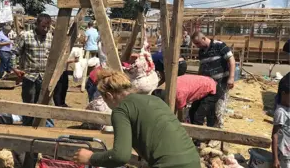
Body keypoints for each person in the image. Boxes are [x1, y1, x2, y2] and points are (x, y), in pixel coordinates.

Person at [72, 69, 201, 168]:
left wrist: (91, 157)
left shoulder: (121, 110)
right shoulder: (154, 99)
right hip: (193, 161)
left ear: (109, 96)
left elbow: (120, 156)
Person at [11, 13, 54, 127]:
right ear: (37, 25)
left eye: (47, 27)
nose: (45, 29)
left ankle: (49, 128)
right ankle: (28, 127)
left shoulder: (50, 37)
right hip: (29, 76)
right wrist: (15, 68)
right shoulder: (25, 36)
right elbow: (14, 52)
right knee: (29, 103)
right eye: (43, 26)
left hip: (45, 77)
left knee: (47, 103)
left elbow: (53, 56)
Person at [191, 31, 236, 129]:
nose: (197, 46)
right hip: (207, 84)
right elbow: (202, 67)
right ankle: (210, 130)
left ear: (203, 38)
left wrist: (231, 78)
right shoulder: (202, 51)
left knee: (218, 108)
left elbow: (231, 61)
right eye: (195, 44)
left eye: (198, 43)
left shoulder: (219, 46)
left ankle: (217, 131)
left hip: (221, 82)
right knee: (208, 107)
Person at [151, 75, 220, 127]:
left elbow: (180, 113)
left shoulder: (179, 94)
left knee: (198, 116)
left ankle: (197, 141)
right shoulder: (169, 86)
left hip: (210, 88)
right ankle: (197, 135)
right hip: (203, 85)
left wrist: (179, 125)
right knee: (192, 112)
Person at [272, 74, 290, 168]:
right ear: (283, 94)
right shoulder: (281, 112)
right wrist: (275, 159)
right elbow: (274, 135)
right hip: (283, 154)